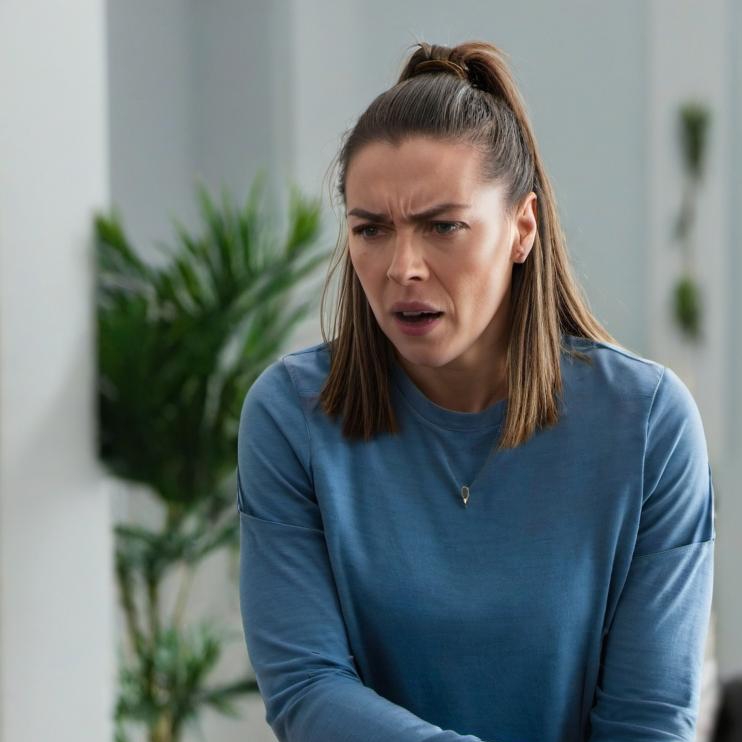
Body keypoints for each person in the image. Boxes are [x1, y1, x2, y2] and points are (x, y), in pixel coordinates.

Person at [236, 40, 716, 742]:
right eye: (371, 230)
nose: (403, 267)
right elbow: (307, 691)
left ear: (522, 228)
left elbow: (646, 722)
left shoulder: (647, 424)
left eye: (443, 227)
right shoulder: (290, 418)